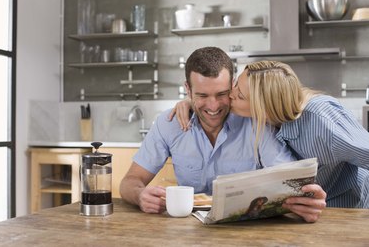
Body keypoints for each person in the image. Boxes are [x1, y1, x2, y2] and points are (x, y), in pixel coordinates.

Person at [120, 47, 326, 223]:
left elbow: (289, 178)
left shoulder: (255, 123)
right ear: (187, 90)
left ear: (233, 86)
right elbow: (130, 181)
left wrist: (307, 200)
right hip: (187, 233)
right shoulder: (169, 124)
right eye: (202, 95)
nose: (213, 106)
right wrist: (140, 195)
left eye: (221, 94)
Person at [172, 60, 369, 208]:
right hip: (311, 215)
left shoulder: (322, 121)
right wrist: (196, 102)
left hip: (352, 210)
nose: (230, 96)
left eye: (239, 95)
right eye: (235, 86)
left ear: (263, 108)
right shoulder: (264, 122)